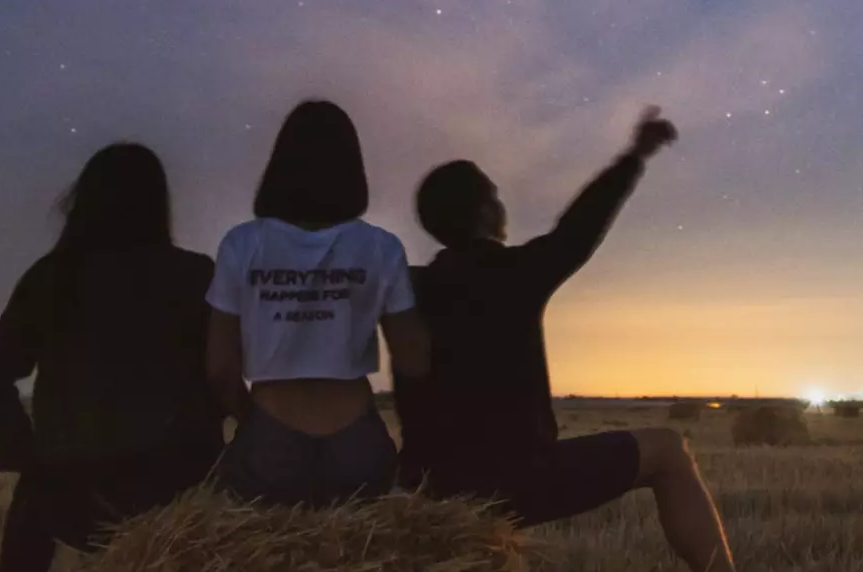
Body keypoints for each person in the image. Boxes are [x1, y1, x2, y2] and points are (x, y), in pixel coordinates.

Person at [397, 107, 736, 572]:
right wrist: (635, 155)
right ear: (483, 212)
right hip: (517, 481)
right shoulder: (515, 274)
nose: (502, 205)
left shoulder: (407, 287)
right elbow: (580, 227)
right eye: (495, 197)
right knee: (668, 449)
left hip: (431, 487)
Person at [0, 144, 225, 572]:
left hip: (70, 493)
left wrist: (28, 460)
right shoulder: (195, 277)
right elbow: (224, 374)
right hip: (180, 490)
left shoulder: (50, 278)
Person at [206, 99, 430, 508]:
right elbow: (414, 360)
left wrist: (251, 422)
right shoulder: (381, 247)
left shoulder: (242, 244)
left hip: (270, 432)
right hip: (356, 436)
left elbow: (220, 367)